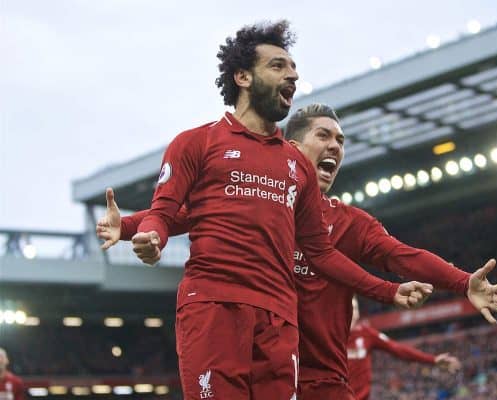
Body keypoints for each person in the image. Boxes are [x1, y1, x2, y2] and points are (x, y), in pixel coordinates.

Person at [99, 21, 429, 400]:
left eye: (293, 68)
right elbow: (165, 210)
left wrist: (388, 290)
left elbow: (321, 252)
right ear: (242, 76)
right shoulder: (196, 143)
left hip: (279, 319)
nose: (292, 74)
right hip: (214, 307)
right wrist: (147, 236)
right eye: (277, 65)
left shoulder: (297, 165)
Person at [99, 104, 497, 399]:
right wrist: (129, 228)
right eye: (324, 135)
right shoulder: (257, 196)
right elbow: (177, 215)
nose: (335, 146)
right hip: (252, 359)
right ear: (291, 148)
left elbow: (400, 255)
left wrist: (461, 283)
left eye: (341, 140)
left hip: (321, 381)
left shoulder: (349, 223)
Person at [347, 298, 460, 400]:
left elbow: (398, 349)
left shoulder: (366, 334)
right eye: (348, 307)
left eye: (355, 308)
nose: (352, 312)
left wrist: (432, 359)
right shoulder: (330, 337)